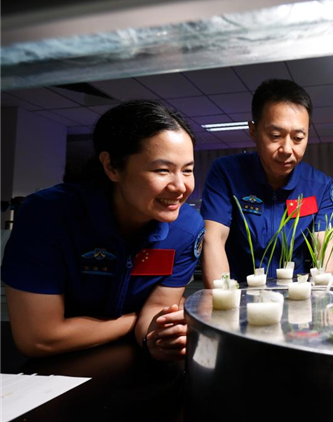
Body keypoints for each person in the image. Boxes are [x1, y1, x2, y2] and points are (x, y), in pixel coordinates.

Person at [1, 100, 205, 360]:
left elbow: (156, 311)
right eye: (162, 170)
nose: (180, 187)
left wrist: (155, 337)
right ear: (111, 167)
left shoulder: (187, 228)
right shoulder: (47, 215)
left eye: (187, 170)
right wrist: (135, 321)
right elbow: (39, 338)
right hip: (51, 368)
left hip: (129, 362)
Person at [200, 79, 333, 287]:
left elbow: (324, 249)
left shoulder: (320, 186)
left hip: (295, 295)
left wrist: (322, 295)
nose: (287, 149)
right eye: (275, 136)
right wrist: (225, 298)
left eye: (298, 138)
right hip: (240, 293)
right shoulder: (226, 174)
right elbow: (213, 239)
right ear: (253, 131)